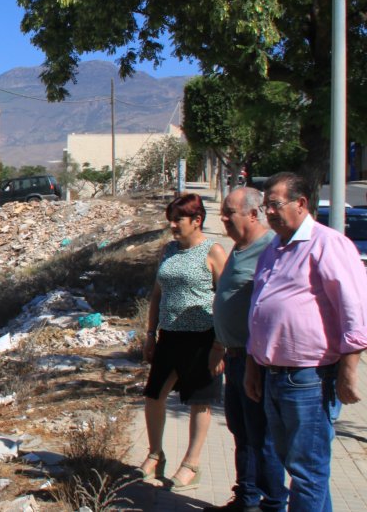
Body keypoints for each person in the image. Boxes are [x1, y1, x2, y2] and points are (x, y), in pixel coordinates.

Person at [246, 172, 367, 511]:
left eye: (275, 204)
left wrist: (349, 370)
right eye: (265, 205)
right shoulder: (274, 248)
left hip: (310, 378)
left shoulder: (328, 244)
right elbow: (259, 312)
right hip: (274, 375)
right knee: (299, 469)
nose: (268, 212)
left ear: (301, 204)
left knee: (308, 471)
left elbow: (354, 310)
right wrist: (254, 368)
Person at [138, 193, 228, 491]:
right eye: (171, 220)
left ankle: (191, 464)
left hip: (203, 339)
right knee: (154, 395)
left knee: (199, 401)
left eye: (178, 220)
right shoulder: (169, 251)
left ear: (197, 220)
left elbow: (228, 299)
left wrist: (221, 345)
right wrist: (151, 334)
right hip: (169, 337)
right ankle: (155, 453)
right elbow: (157, 294)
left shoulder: (212, 251)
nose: (173, 226)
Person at [205, 187, 286, 512]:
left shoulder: (270, 249)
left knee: (262, 438)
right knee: (241, 433)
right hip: (234, 357)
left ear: (254, 215)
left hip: (255, 362)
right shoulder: (239, 248)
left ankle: (273, 503)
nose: (222, 218)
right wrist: (219, 345)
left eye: (229, 213)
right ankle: (246, 498)